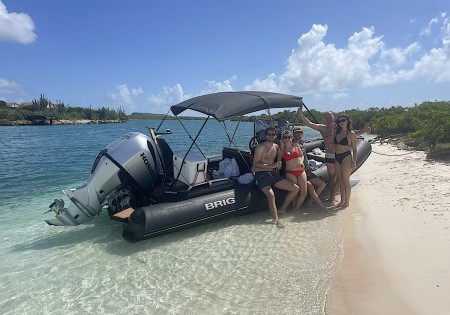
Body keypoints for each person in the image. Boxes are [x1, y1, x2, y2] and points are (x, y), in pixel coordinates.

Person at [252, 126, 299, 227]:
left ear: (276, 136)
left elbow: (282, 156)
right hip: (261, 174)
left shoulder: (276, 147)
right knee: (271, 195)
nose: (271, 136)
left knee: (295, 188)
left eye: (273, 134)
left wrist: (279, 164)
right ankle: (276, 220)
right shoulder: (260, 147)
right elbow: (255, 164)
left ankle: (282, 209)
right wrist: (272, 166)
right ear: (265, 135)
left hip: (273, 174)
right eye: (269, 134)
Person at [297, 108, 337, 201]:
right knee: (332, 178)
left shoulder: (338, 127)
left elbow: (351, 133)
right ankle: (332, 196)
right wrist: (301, 115)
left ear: (333, 117)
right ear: (324, 119)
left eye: (330, 116)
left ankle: (339, 196)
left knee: (339, 177)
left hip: (339, 155)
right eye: (327, 117)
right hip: (329, 156)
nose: (329, 118)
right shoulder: (322, 128)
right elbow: (309, 124)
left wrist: (364, 131)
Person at [291, 127, 327, 209]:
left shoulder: (303, 144)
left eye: (300, 132)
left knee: (322, 184)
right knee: (309, 187)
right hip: (298, 171)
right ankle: (297, 208)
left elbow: (304, 158)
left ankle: (310, 202)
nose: (299, 134)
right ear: (293, 134)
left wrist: (310, 166)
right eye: (296, 132)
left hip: (307, 170)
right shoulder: (290, 145)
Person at [277, 130, 308, 210]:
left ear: (291, 138)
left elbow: (301, 155)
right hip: (290, 172)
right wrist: (277, 173)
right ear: (282, 138)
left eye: (289, 137)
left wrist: (301, 161)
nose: (287, 139)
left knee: (304, 192)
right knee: (295, 192)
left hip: (301, 170)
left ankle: (296, 209)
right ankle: (290, 208)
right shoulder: (281, 149)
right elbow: (279, 162)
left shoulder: (296, 145)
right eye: (285, 137)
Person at [333, 115, 357, 207]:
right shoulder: (336, 133)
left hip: (346, 157)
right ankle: (342, 201)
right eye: (339, 121)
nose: (341, 122)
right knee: (340, 180)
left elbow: (354, 148)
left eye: (343, 120)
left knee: (346, 180)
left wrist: (354, 160)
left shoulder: (351, 134)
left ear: (347, 121)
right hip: (337, 157)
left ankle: (347, 202)